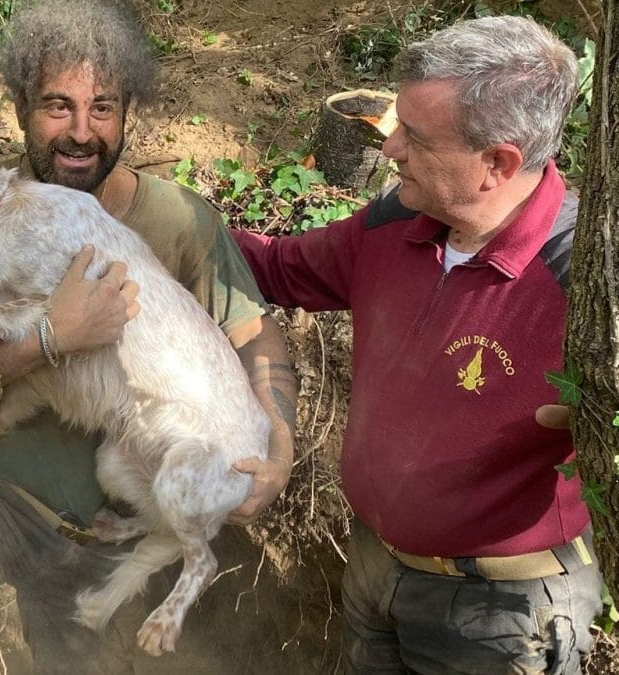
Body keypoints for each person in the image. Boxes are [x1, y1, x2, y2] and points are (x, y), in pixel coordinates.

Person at [0, 1, 297, 671]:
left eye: (102, 108)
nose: (79, 131)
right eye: (56, 105)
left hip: (110, 536)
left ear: (129, 113)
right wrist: (50, 335)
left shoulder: (178, 219)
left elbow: (256, 337)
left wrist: (279, 444)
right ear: (19, 108)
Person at [231, 15, 604, 674]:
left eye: (416, 135)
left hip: (502, 616)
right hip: (374, 565)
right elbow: (278, 268)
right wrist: (151, 213)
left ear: (497, 163)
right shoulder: (400, 220)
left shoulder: (581, 281)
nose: (392, 146)